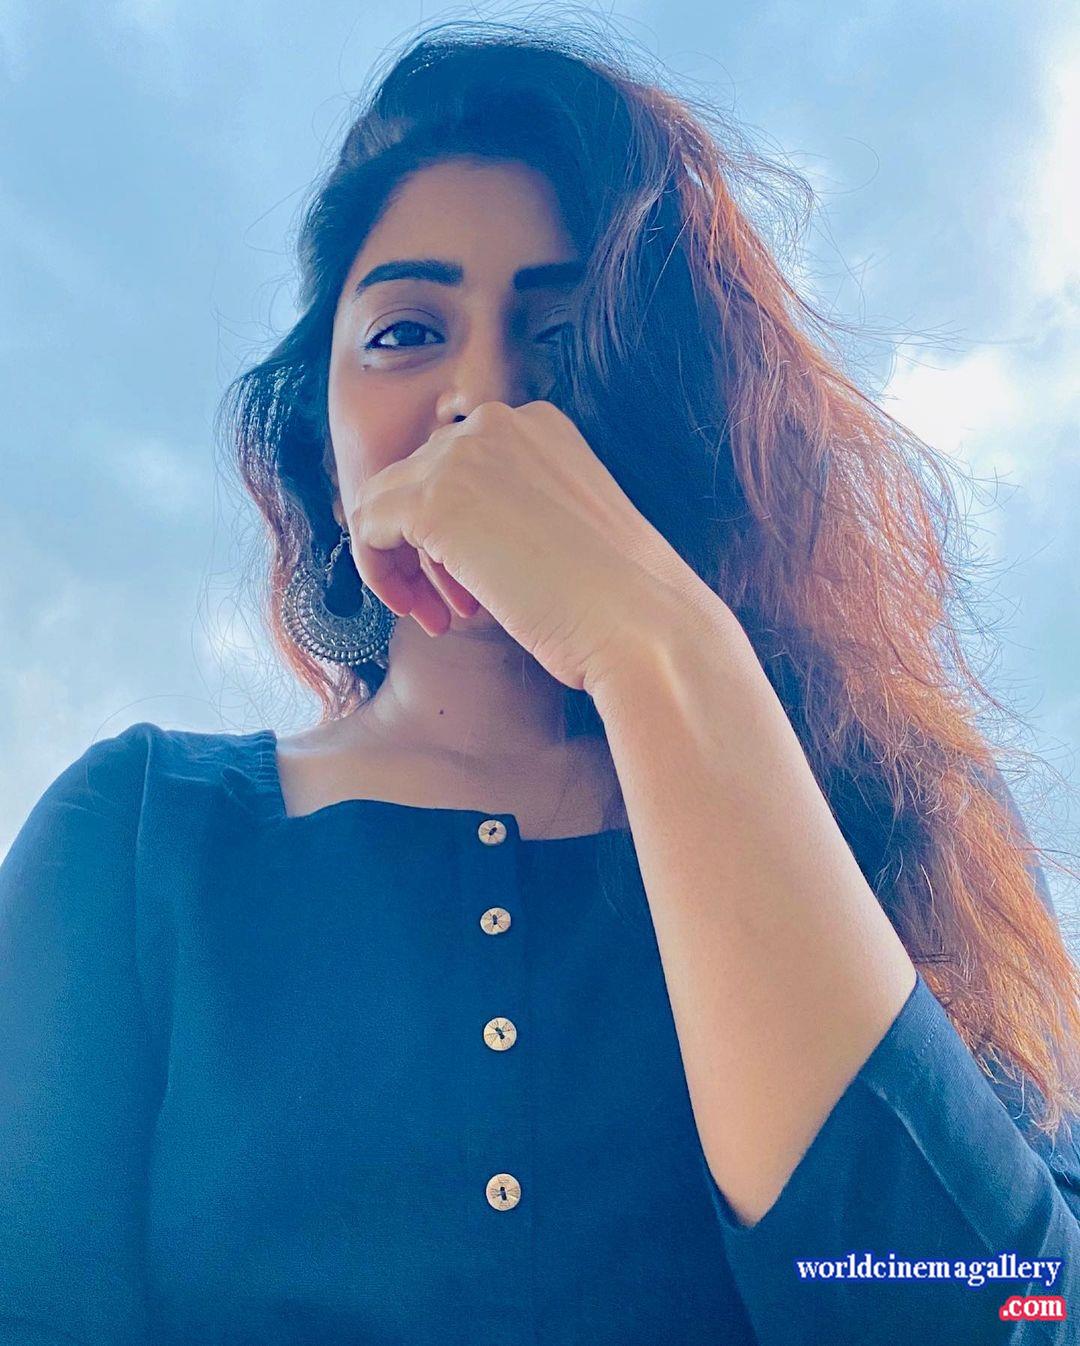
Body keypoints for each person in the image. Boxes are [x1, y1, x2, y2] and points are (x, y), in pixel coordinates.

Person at [3, 19, 1079, 1346]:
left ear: (685, 407)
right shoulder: (135, 834)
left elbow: (1005, 1316)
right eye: (404, 331)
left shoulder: (898, 829)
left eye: (563, 334)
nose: (482, 400)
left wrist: (657, 647)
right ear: (321, 440)